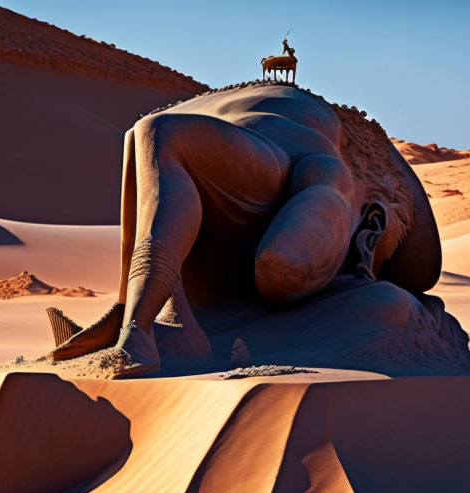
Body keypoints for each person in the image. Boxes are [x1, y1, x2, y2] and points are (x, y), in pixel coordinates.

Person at [51, 83, 440, 376]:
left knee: (153, 132)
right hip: (271, 158)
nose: (367, 257)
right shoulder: (332, 157)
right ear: (372, 223)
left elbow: (281, 269)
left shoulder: (327, 167)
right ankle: (135, 317)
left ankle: (137, 322)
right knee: (147, 134)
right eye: (372, 247)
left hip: (277, 163)